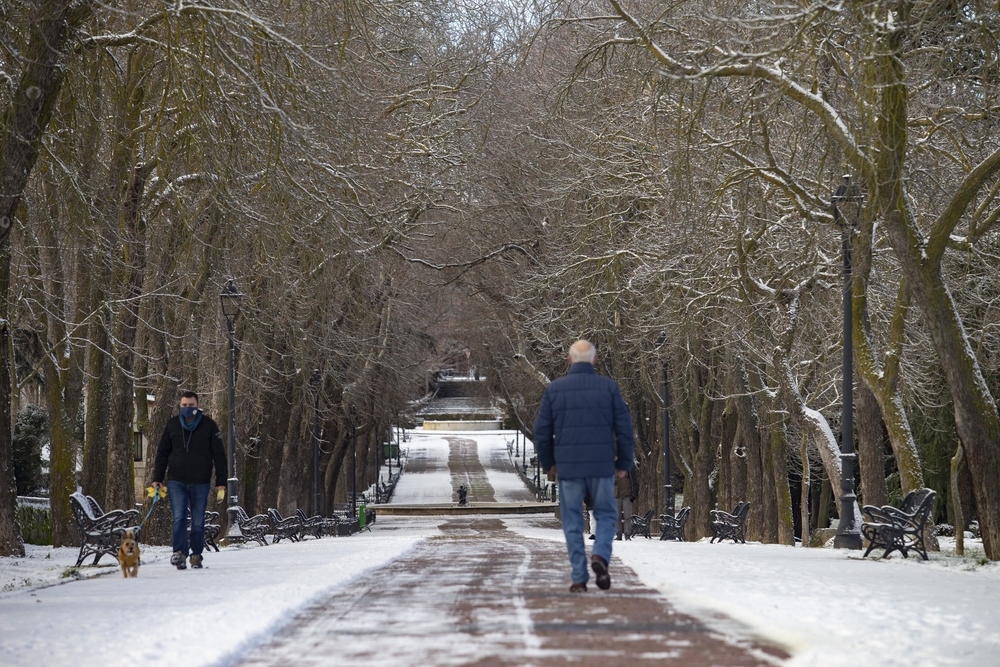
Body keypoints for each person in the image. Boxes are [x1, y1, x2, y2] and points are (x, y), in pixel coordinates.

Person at [534, 340, 635, 592]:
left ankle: (579, 576)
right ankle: (600, 555)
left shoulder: (554, 390)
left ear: (568, 360)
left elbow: (542, 431)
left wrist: (549, 463)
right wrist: (623, 462)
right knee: (606, 515)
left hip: (568, 467)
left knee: (572, 521)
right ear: (595, 359)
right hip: (601, 465)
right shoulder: (609, 388)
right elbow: (624, 429)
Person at [152, 391, 227, 570]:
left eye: (191, 405)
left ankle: (196, 555)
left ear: (197, 406)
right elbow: (162, 453)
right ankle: (179, 553)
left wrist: (221, 481)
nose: (187, 408)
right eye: (184, 405)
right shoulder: (172, 426)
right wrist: (157, 478)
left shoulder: (209, 426)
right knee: (178, 518)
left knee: (198, 521)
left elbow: (219, 455)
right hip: (176, 481)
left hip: (200, 481)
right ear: (180, 406)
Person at [615, 465, 640, 540]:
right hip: (616, 494)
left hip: (627, 494)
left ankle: (627, 534)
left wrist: (634, 493)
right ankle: (618, 534)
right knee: (617, 516)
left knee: (627, 516)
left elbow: (634, 480)